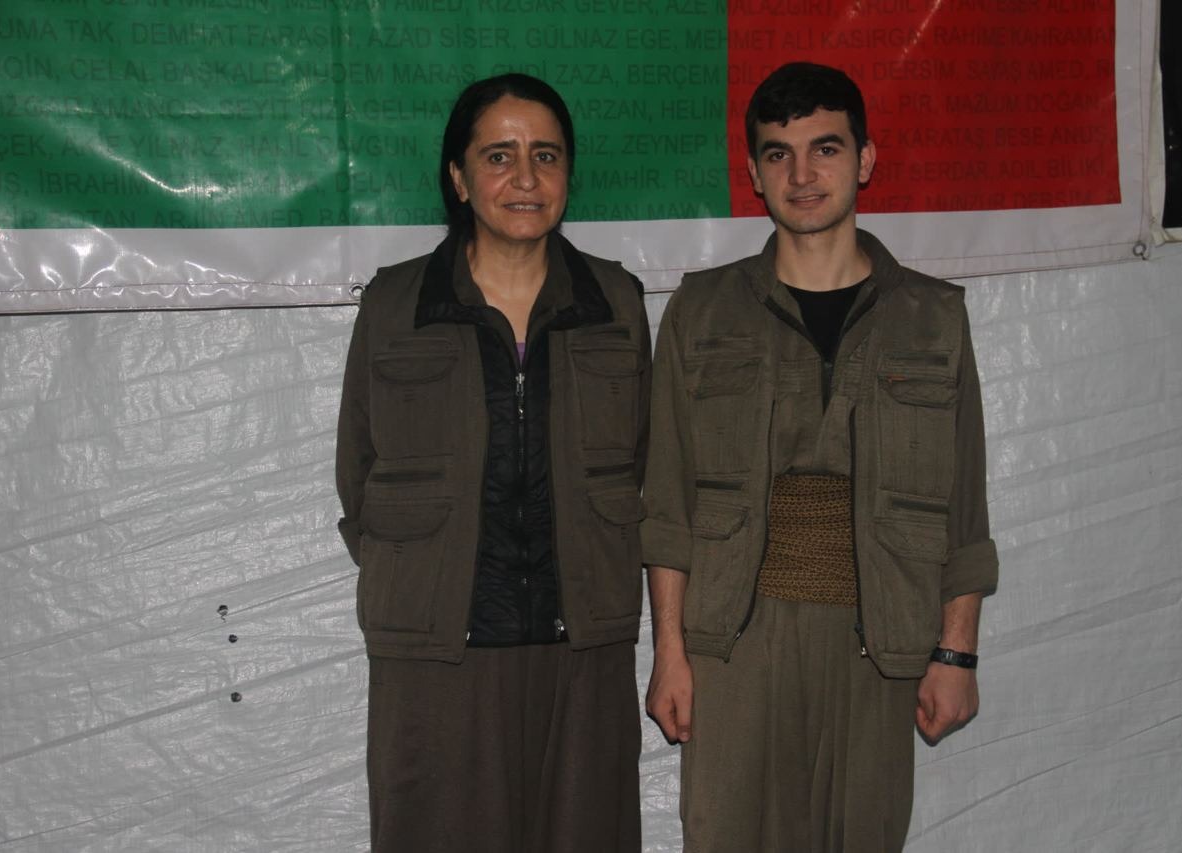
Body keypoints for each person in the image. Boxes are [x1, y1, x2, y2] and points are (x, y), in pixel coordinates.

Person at [641, 62, 999, 853]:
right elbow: (668, 506)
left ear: (865, 159)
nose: (802, 175)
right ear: (754, 172)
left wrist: (956, 651)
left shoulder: (932, 318)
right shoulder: (701, 311)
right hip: (735, 641)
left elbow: (964, 511)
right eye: (779, 153)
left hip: (879, 639)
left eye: (825, 148)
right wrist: (669, 651)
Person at [335, 73, 649, 853]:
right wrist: (425, 575)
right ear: (459, 177)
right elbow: (359, 470)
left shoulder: (615, 303)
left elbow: (645, 462)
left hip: (583, 649)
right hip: (439, 655)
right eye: (499, 156)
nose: (526, 178)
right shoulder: (396, 306)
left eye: (546, 155)